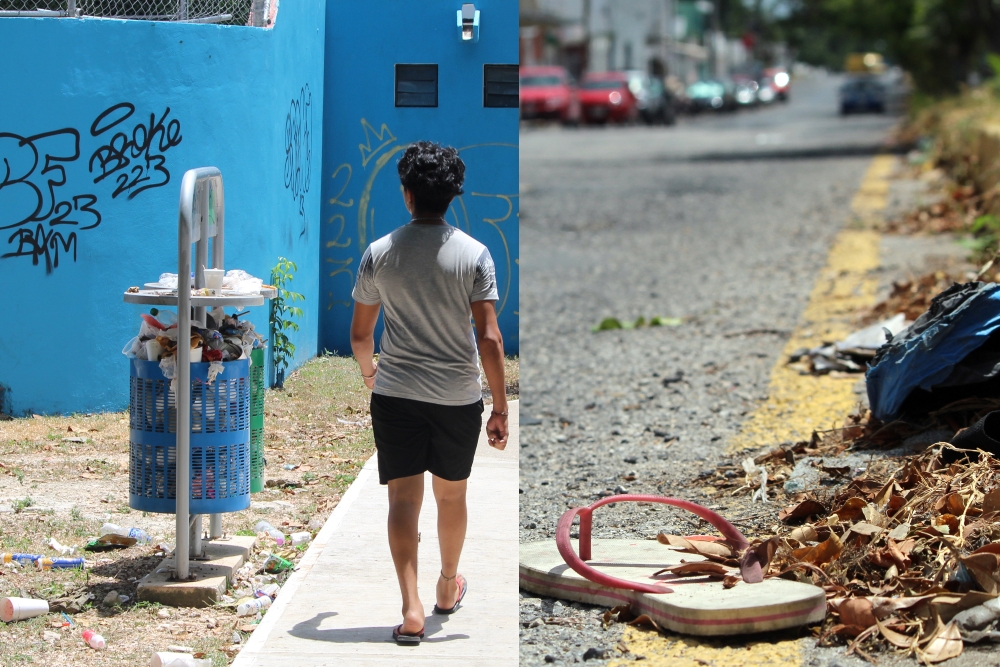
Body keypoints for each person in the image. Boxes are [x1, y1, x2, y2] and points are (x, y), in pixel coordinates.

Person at [350, 141, 509, 645]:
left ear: (407, 194)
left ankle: (411, 607)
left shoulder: (379, 253)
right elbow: (489, 338)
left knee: (403, 498)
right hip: (457, 397)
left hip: (395, 394)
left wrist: (369, 372)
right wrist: (500, 407)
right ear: (453, 195)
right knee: (451, 495)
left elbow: (360, 336)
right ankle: (446, 586)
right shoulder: (475, 255)